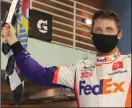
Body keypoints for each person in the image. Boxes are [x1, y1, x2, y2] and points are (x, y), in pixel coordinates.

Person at [2, 10, 131, 107]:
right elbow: (37, 73)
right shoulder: (79, 70)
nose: (103, 33)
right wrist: (13, 41)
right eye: (98, 29)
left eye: (109, 29)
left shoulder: (129, 64)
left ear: (119, 34)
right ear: (92, 35)